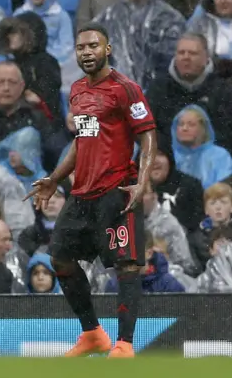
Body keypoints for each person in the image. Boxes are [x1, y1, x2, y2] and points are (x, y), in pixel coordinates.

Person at [25, 22, 157, 358]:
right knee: (61, 259)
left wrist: (143, 180)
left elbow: (147, 133)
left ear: (107, 49)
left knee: (126, 265)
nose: (87, 52)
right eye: (81, 47)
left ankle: (125, 344)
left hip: (116, 189)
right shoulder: (77, 90)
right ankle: (93, 333)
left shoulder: (126, 88)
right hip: (82, 192)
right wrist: (55, 178)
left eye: (93, 46)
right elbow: (82, 140)